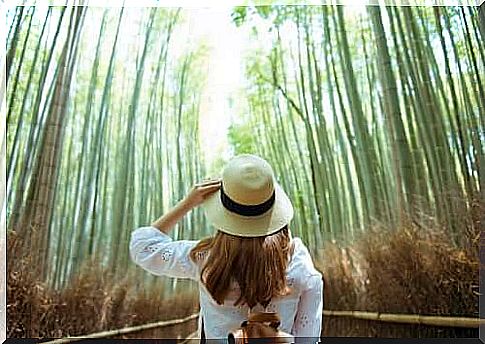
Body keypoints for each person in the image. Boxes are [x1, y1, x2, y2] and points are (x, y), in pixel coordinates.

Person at [129, 154, 323, 343]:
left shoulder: (205, 258)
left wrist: (187, 203)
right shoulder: (299, 263)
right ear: (275, 211)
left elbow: (143, 247)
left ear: (223, 215)